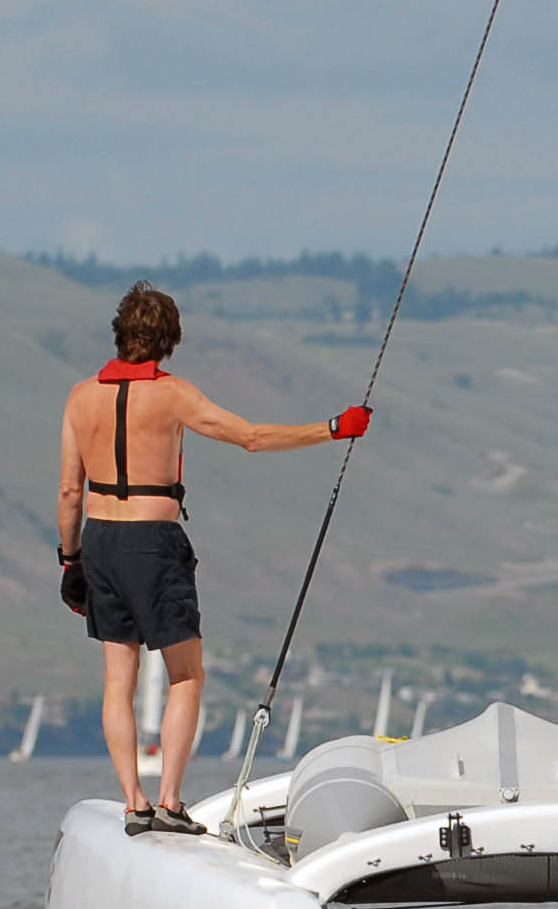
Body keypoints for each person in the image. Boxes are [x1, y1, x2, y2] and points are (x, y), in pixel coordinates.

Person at [58, 281, 373, 835]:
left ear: (119, 332)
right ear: (169, 341)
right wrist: (332, 429)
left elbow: (68, 492)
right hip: (153, 543)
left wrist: (71, 562)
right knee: (186, 675)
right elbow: (250, 437)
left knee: (117, 680)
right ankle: (170, 801)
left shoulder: (80, 397)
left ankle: (133, 802)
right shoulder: (173, 394)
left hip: (100, 540)